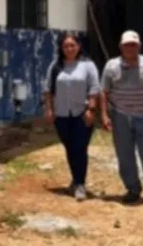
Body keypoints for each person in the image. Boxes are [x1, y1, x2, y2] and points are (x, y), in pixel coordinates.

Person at [100, 31, 143, 207]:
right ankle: (133, 189)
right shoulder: (111, 66)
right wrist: (104, 115)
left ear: (139, 46)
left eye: (134, 45)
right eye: (127, 45)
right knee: (125, 156)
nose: (130, 48)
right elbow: (104, 92)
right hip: (120, 116)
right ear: (121, 47)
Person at [43, 33, 101, 201]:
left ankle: (80, 184)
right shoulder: (55, 66)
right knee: (70, 148)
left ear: (79, 46)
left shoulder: (88, 65)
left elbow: (94, 89)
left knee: (80, 148)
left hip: (81, 113)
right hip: (61, 114)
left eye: (72, 45)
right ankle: (76, 180)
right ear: (61, 48)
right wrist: (49, 110)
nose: (69, 49)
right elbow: (48, 90)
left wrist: (91, 110)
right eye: (65, 46)